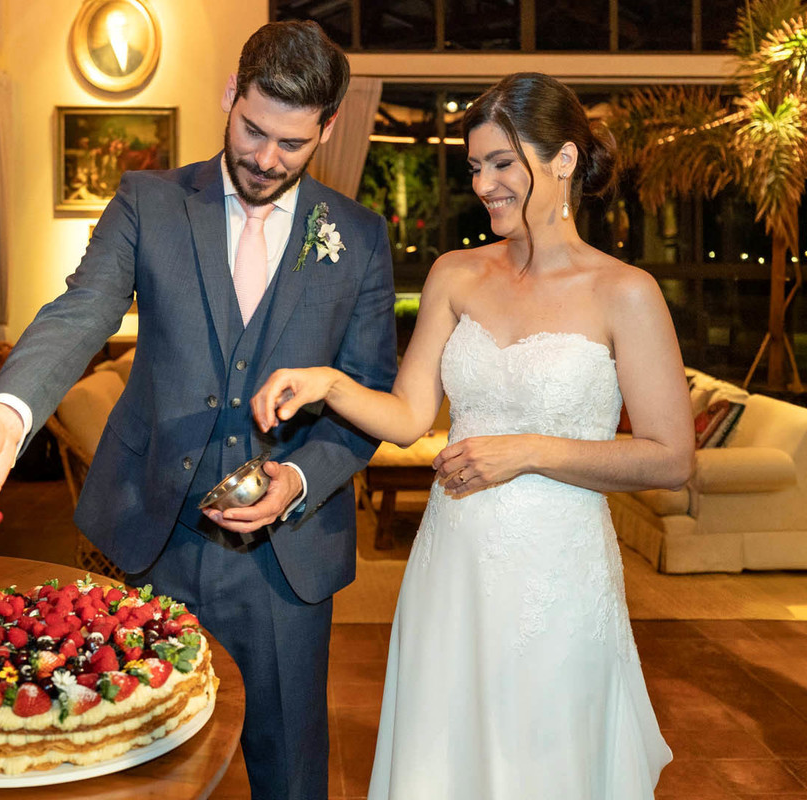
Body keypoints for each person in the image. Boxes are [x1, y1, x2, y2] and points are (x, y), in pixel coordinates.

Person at [0, 21, 398, 800]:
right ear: (229, 94)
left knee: (288, 771)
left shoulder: (359, 236)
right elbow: (82, 311)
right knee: (138, 768)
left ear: (328, 128)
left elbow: (365, 393)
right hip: (149, 540)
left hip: (286, 564)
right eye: (253, 129)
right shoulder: (148, 201)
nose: (265, 159)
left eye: (292, 144)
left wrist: (300, 477)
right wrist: (5, 419)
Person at [251, 72, 693, 798]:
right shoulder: (456, 274)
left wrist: (528, 451)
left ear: (564, 160)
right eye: (476, 167)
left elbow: (672, 457)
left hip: (560, 577)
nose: (485, 184)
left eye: (501, 164)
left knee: (546, 761)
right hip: (452, 567)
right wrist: (329, 382)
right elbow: (409, 416)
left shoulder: (626, 292)